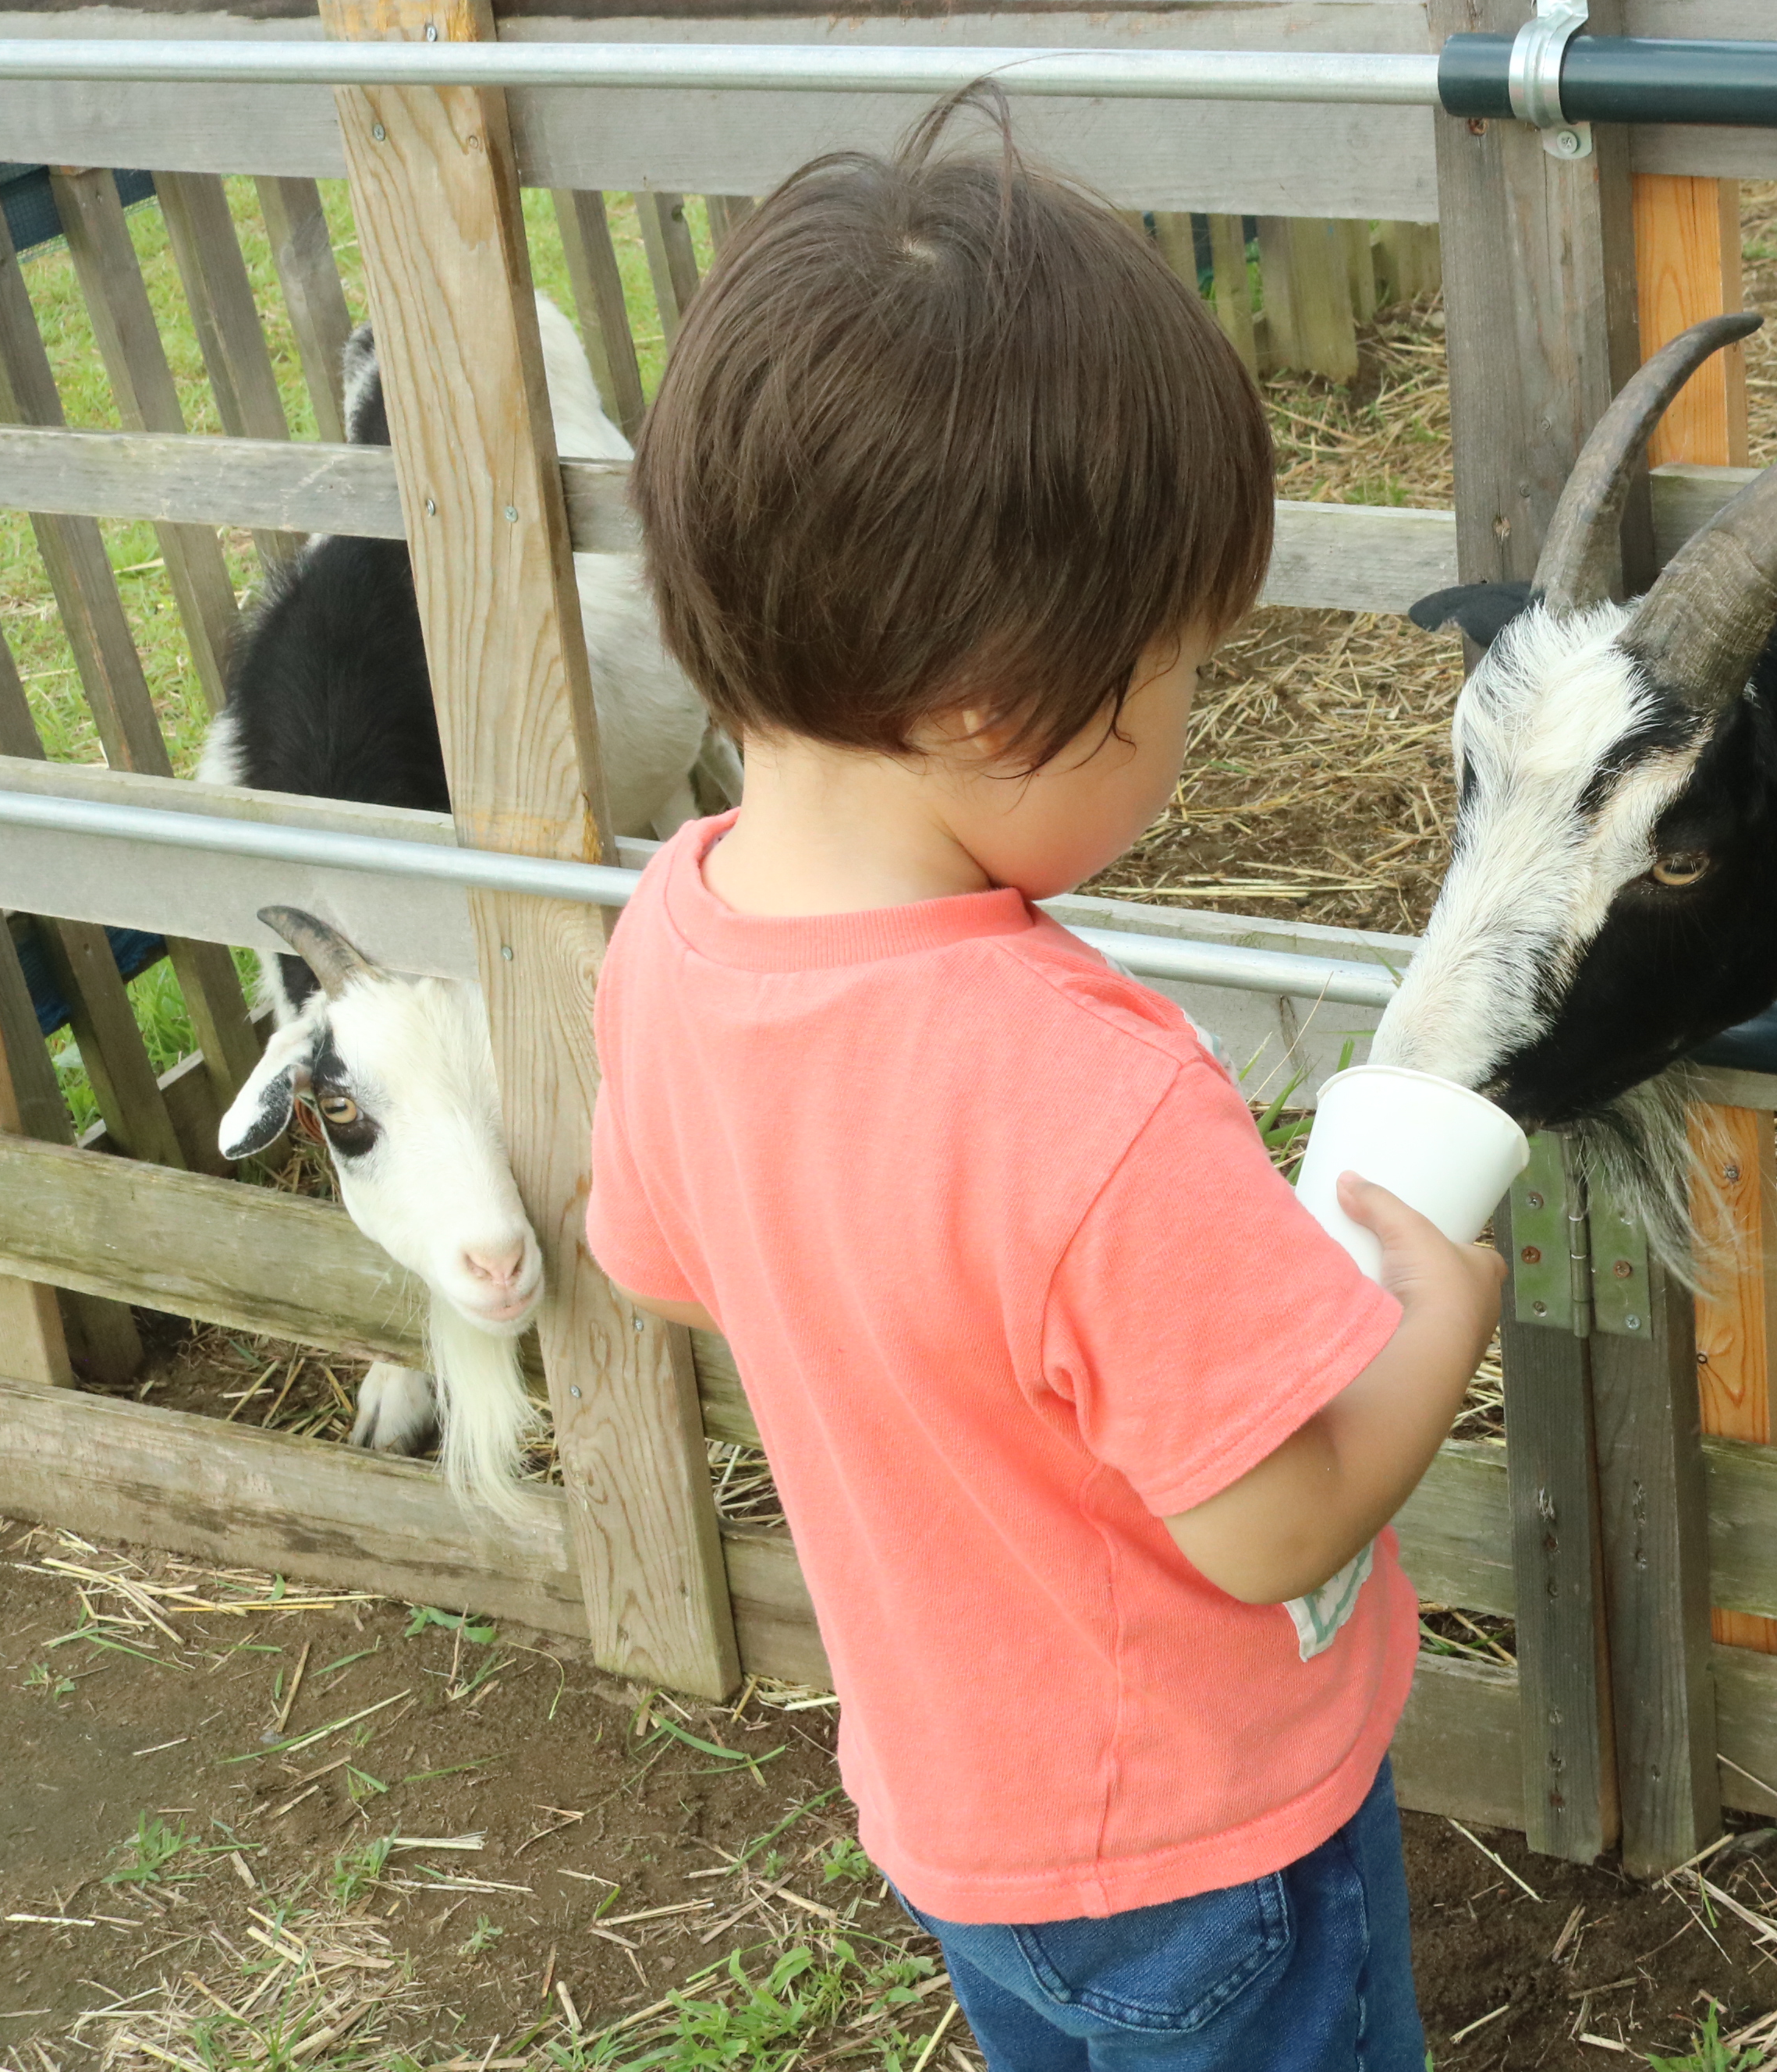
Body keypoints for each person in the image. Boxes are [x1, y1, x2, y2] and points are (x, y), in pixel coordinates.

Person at [584, 86, 1503, 2071]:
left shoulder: (676, 927)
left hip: (963, 1824)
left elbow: (668, 1261)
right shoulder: (1085, 1093)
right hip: (1210, 1840)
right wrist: (1434, 1314)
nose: (1186, 719)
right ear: (998, 702)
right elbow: (1269, 1526)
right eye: (1178, 666)